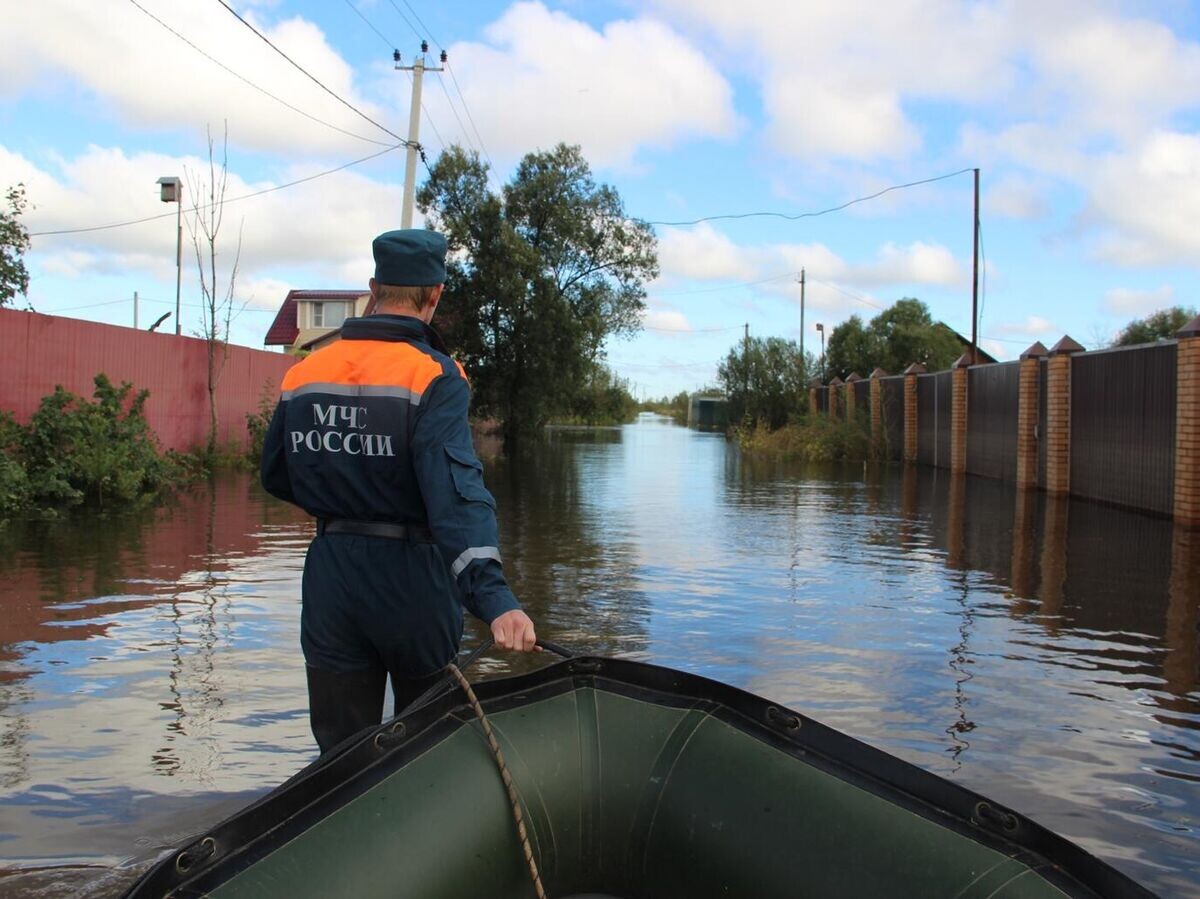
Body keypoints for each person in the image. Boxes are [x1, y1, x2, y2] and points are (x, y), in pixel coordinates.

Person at [260, 228, 537, 753]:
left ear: (372, 285)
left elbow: (275, 474)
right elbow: (455, 496)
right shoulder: (435, 376)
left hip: (331, 578)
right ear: (435, 295)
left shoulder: (305, 373)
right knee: (424, 749)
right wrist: (494, 599)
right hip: (412, 581)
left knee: (340, 754)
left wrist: (343, 497)